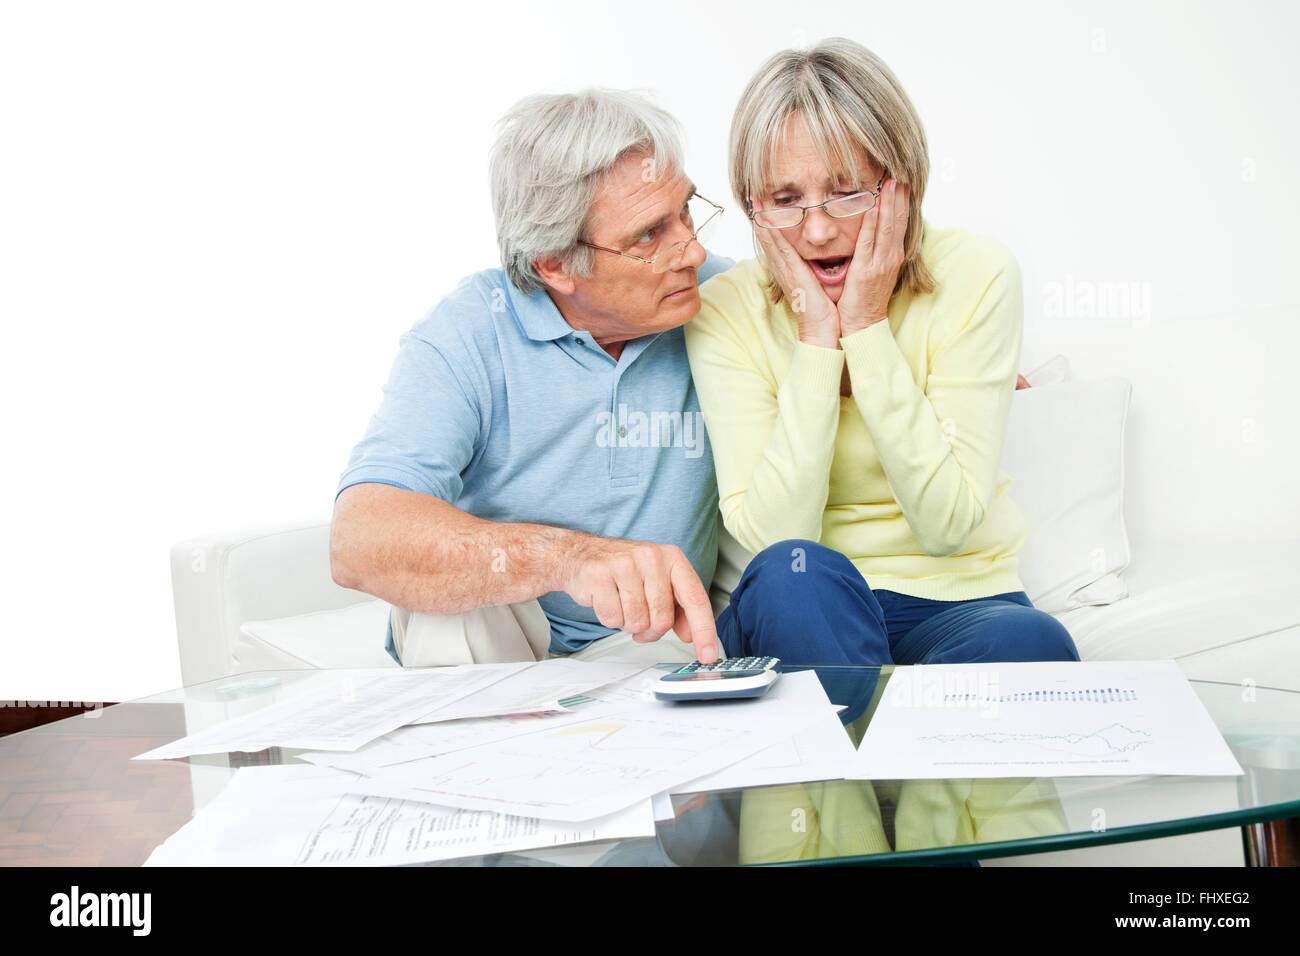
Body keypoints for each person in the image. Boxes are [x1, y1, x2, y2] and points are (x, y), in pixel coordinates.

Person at [684, 38, 1080, 669]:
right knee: (795, 577)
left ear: (904, 187)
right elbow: (776, 540)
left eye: (847, 192)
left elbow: (947, 525)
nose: (817, 231)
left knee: (1033, 645)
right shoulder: (726, 308)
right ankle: (880, 733)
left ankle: (864, 736)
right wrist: (818, 337)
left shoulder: (979, 273)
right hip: (803, 602)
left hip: (959, 603)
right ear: (753, 210)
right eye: (785, 200)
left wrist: (866, 327)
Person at [330, 89, 732, 667]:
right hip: (504, 637)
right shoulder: (468, 332)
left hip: (652, 641)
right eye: (648, 236)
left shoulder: (721, 300)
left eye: (686, 212)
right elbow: (359, 540)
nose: (691, 251)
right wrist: (568, 558)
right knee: (450, 612)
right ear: (555, 264)